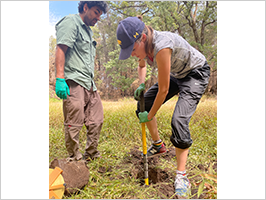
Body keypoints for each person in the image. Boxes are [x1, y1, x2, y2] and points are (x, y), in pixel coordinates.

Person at [116, 16, 210, 197]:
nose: (133, 54)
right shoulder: (144, 45)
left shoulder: (162, 47)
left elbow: (164, 90)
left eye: (133, 49)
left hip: (195, 73)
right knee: (144, 103)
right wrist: (142, 83)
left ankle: (181, 175)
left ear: (142, 38)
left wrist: (150, 115)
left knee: (179, 119)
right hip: (178, 72)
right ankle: (158, 145)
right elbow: (142, 64)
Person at [54, 1, 108, 162]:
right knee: (74, 123)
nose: (98, 18)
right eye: (96, 12)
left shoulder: (88, 32)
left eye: (100, 14)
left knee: (96, 120)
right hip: (74, 81)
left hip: (89, 83)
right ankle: (75, 159)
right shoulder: (71, 22)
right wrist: (59, 78)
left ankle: (91, 155)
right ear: (86, 7)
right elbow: (61, 49)